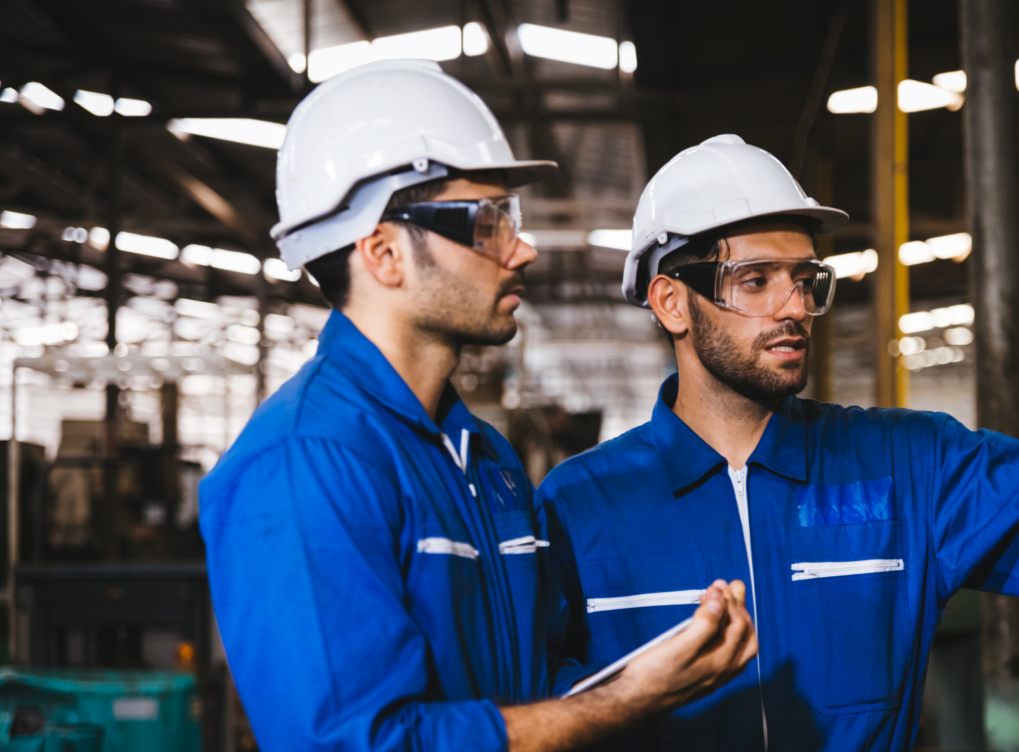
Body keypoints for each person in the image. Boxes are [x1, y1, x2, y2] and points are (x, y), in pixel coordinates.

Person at [537, 134, 1019, 751]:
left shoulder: (909, 464)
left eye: (804, 279)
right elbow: (538, 706)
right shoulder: (581, 504)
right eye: (757, 280)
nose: (794, 306)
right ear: (672, 302)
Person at [199, 63, 757, 752]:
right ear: (384, 253)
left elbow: (535, 679)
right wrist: (626, 699)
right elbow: (357, 743)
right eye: (489, 223)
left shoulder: (484, 458)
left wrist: (659, 667)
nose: (522, 250)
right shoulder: (306, 462)